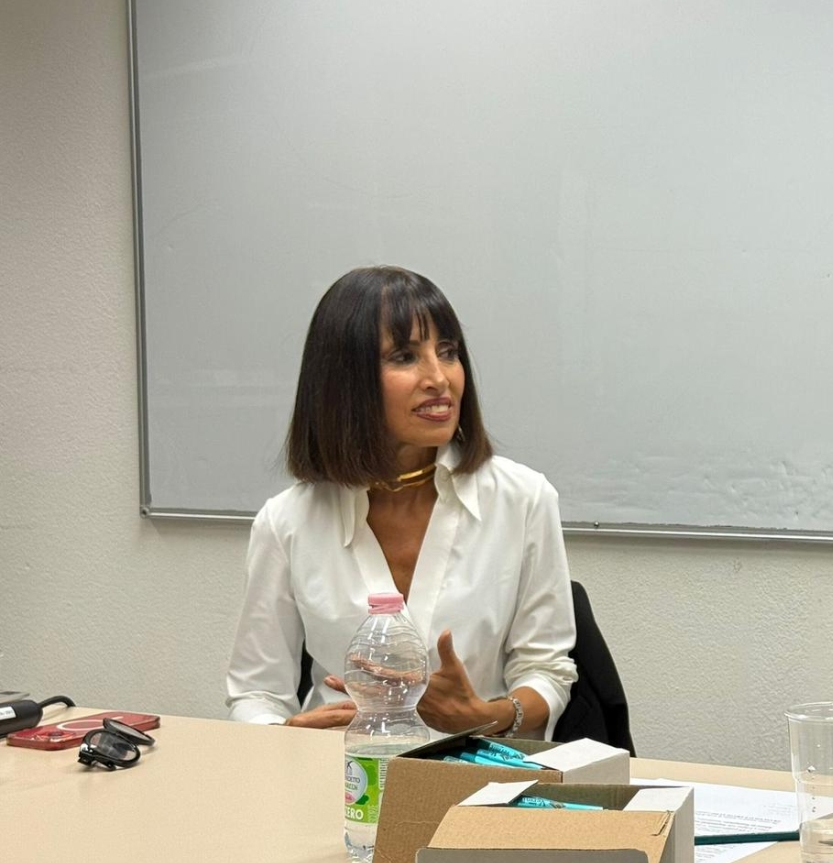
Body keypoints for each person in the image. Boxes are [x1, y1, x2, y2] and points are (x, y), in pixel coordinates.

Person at [225, 266, 577, 738]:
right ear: (344, 382)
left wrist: (483, 716)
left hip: (472, 779)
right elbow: (255, 694)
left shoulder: (523, 500)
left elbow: (547, 673)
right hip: (339, 775)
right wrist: (289, 733)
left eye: (448, 352)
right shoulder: (286, 522)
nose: (440, 378)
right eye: (405, 356)